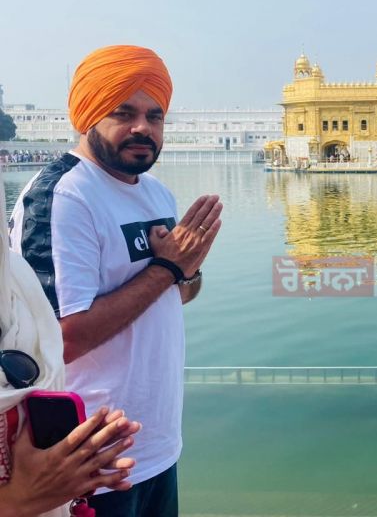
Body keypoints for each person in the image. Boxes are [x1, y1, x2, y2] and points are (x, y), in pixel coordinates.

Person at [9, 45, 223, 516]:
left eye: (154, 115)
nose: (142, 127)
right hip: (86, 459)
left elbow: (173, 294)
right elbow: (57, 339)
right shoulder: (64, 196)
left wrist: (187, 270)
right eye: (123, 112)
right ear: (88, 114)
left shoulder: (155, 192)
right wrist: (166, 268)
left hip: (157, 446)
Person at [0, 176, 141, 516]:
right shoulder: (62, 194)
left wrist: (68, 464)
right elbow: (71, 337)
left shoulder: (14, 278)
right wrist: (17, 501)